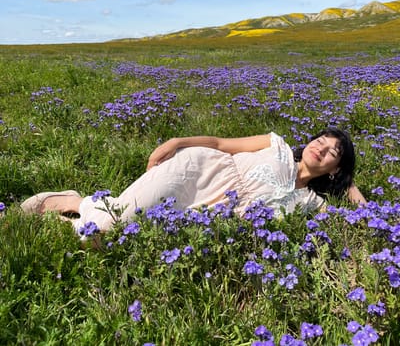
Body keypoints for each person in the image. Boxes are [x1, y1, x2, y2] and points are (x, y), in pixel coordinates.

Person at [20, 127, 366, 235]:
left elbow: (364, 218)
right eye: (322, 139)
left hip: (205, 217)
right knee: (110, 227)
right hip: (195, 172)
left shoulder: (310, 203)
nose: (323, 147)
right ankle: (69, 202)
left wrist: (346, 183)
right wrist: (177, 143)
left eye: (335, 151)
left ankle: (80, 206)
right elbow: (219, 144)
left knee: (112, 240)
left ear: (336, 167)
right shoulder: (277, 145)